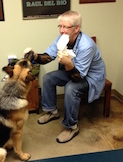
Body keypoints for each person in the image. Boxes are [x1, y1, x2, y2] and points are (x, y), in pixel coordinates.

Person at [24, 10, 106, 143]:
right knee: (48, 78)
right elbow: (48, 56)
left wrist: (68, 64)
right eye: (60, 26)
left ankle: (71, 127)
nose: (61, 30)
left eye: (65, 27)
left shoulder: (87, 45)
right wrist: (35, 56)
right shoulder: (63, 38)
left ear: (76, 28)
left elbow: (78, 77)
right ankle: (52, 112)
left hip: (90, 77)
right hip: (73, 71)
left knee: (70, 88)